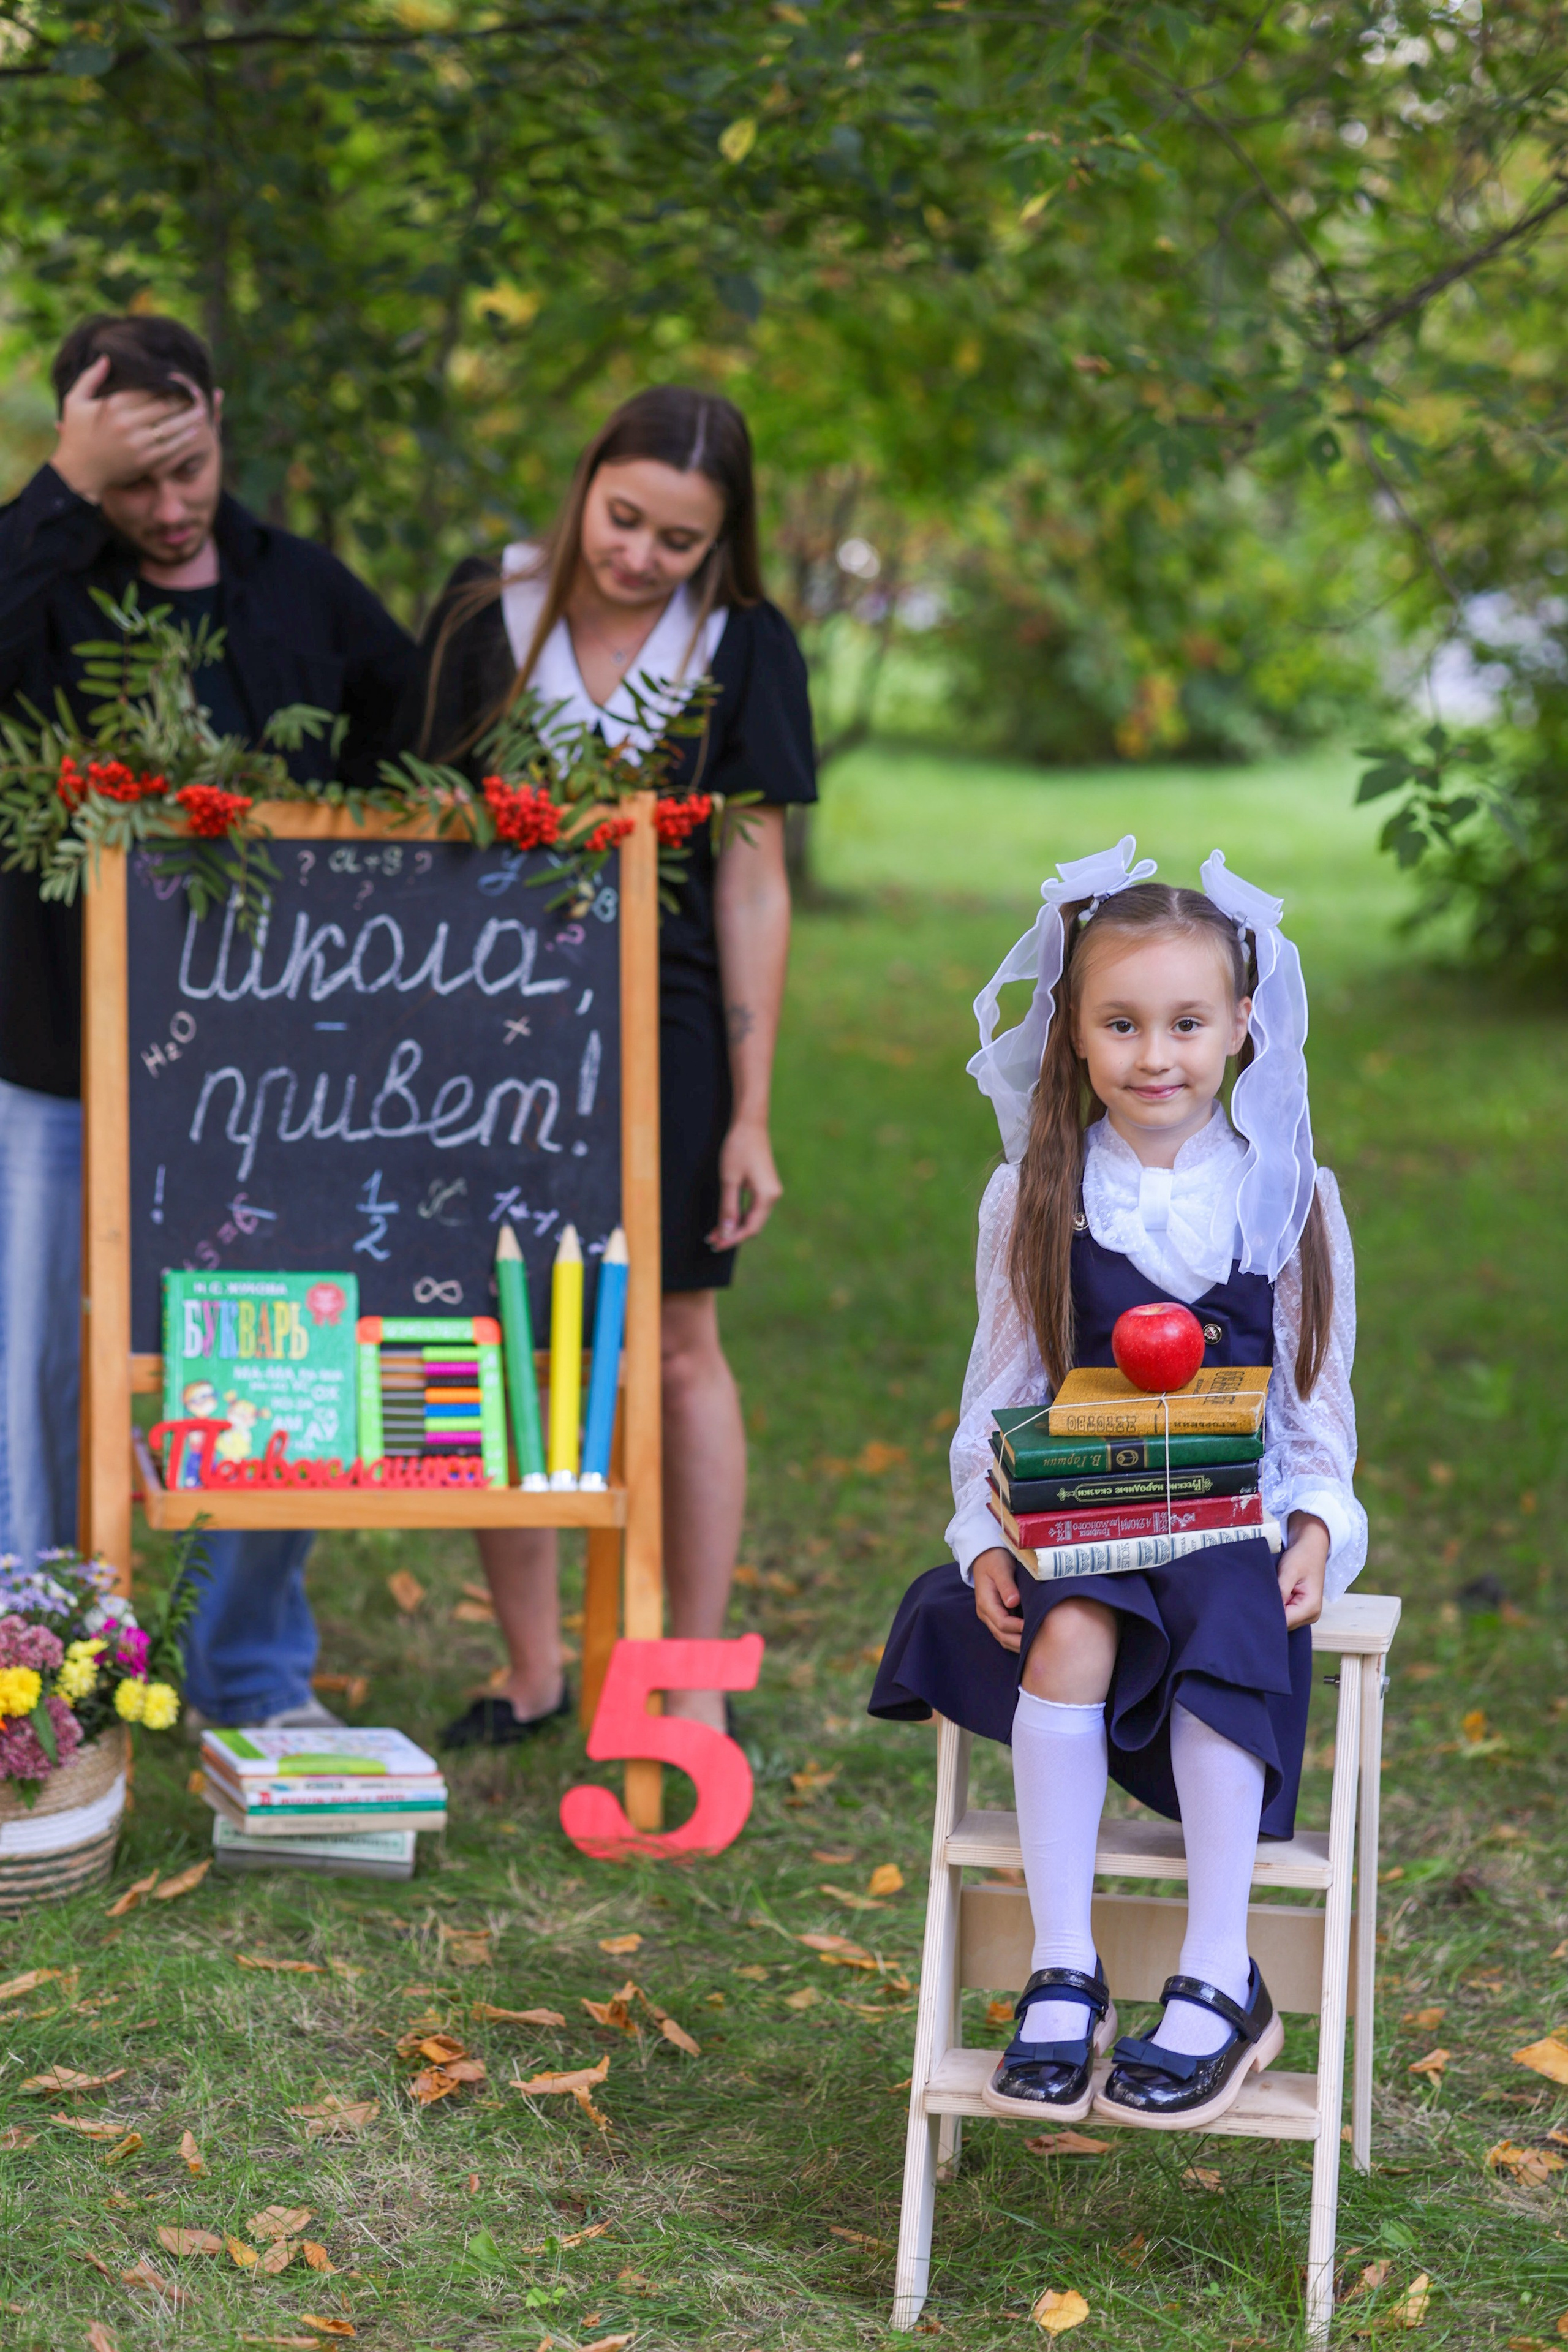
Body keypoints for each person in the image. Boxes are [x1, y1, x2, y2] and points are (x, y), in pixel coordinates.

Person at [870, 840, 1366, 2128]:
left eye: (1186, 1023)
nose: (1156, 1055)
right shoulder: (1033, 1196)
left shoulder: (1289, 1199)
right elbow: (1000, 1384)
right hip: (1081, 1513)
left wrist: (1314, 1521)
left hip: (1220, 1520)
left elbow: (1314, 1406)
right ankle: (1063, 1965)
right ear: (1072, 1036)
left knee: (1214, 1622)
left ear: (1241, 1026)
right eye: (1121, 1024)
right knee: (1071, 1627)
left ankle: (1216, 1970)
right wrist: (983, 1529)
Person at [0, 311, 418, 1727]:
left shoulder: (301, 591)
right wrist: (58, 494)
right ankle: (40, 1678)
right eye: (132, 483)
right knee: (35, 1377)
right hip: (46, 1060)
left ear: (220, 421)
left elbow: (416, 755)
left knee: (272, 1364)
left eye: (189, 467)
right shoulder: (40, 582)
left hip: (261, 1089)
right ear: (79, 459)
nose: (172, 508)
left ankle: (247, 1671)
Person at [402, 385, 815, 1745]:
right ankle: (531, 1668)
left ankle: (688, 1669)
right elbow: (410, 828)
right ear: (585, 484)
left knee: (680, 1345)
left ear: (721, 545)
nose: (638, 556)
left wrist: (750, 1112)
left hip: (675, 1023)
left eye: (678, 541)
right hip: (482, 1025)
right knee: (499, 1330)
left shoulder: (744, 647)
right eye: (623, 518)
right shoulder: (484, 611)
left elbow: (752, 881)